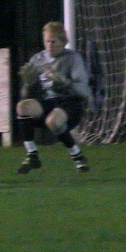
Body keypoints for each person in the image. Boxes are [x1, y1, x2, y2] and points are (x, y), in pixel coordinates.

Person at [15, 21, 92, 174]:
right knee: (22, 107)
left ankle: (77, 156)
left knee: (53, 120)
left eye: (54, 41)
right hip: (48, 102)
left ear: (63, 42)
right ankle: (32, 156)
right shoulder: (38, 59)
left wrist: (64, 81)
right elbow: (25, 95)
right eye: (47, 41)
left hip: (70, 104)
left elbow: (85, 92)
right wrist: (27, 85)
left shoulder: (73, 58)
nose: (49, 45)